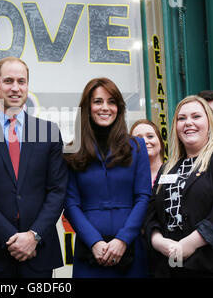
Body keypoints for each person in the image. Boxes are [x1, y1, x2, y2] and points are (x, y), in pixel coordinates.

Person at [0, 56, 68, 278]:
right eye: (8, 81)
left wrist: (33, 236)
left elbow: (57, 190)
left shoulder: (49, 133)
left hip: (38, 253)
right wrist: (11, 238)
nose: (15, 88)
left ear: (28, 85)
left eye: (21, 81)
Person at [64, 77, 151, 278]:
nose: (105, 107)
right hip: (89, 251)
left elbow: (143, 197)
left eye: (112, 102)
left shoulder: (137, 147)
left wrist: (123, 239)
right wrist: (94, 241)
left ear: (119, 108)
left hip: (130, 249)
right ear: (87, 107)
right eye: (98, 101)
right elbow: (70, 203)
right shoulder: (71, 151)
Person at [144, 95, 213, 278]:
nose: (188, 123)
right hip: (170, 268)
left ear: (209, 122)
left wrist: (189, 245)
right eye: (182, 118)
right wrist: (157, 241)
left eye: (196, 116)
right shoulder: (168, 167)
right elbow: (151, 211)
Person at [130, 119, 165, 186]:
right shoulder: (127, 177)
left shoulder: (173, 172)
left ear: (160, 142)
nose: (145, 141)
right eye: (139, 138)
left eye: (150, 136)